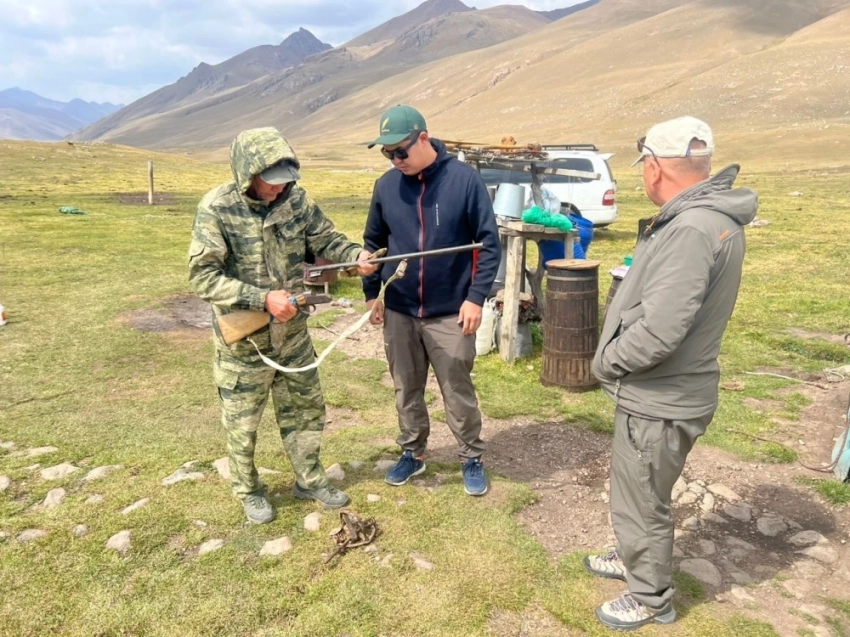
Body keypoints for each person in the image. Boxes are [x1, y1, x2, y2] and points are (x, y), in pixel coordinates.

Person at [586, 117, 757, 630]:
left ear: (655, 168)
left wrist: (604, 362)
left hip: (661, 397)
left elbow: (660, 333)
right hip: (671, 390)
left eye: (644, 167)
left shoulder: (690, 229)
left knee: (642, 498)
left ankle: (650, 597)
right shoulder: (711, 219)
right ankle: (632, 556)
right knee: (639, 489)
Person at [188, 127, 377, 524]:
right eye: (270, 181)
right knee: (243, 425)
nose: (278, 189)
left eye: (285, 180)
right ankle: (249, 491)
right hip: (245, 346)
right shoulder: (217, 208)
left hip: (293, 340)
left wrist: (355, 256)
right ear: (246, 173)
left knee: (307, 412)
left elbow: (326, 240)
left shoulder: (297, 201)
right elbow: (203, 278)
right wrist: (262, 299)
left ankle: (309, 480)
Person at [362, 104, 501, 496]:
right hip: (400, 309)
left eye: (400, 151)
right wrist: (372, 293)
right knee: (405, 387)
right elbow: (373, 244)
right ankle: (413, 452)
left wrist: (475, 298)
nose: (395, 160)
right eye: (387, 153)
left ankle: (471, 457)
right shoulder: (386, 187)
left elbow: (488, 245)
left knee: (457, 389)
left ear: (423, 138)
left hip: (450, 312)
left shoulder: (464, 180)